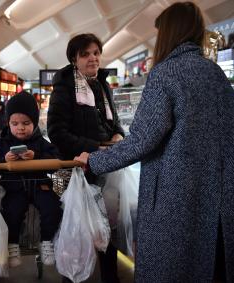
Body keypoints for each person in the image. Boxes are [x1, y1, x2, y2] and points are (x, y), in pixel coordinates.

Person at [74, 2, 234, 282]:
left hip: (176, 196)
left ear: (169, 34)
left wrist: (94, 160)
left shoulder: (166, 73)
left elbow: (142, 140)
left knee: (171, 267)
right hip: (218, 194)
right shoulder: (216, 74)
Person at [47, 33, 125, 283]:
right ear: (74, 59)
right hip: (70, 170)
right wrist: (94, 148)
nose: (93, 58)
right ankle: (71, 276)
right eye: (86, 54)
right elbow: (56, 132)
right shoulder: (64, 87)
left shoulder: (102, 84)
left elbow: (114, 122)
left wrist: (119, 136)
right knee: (74, 229)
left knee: (107, 228)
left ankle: (110, 278)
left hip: (104, 167)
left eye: (96, 53)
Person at [0, 91, 61, 268]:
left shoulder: (41, 142)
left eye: (26, 123)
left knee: (52, 209)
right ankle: (12, 245)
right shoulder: (3, 143)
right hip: (14, 188)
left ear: (34, 123)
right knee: (11, 212)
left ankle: (47, 242)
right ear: (8, 124)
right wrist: (4, 160)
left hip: (40, 186)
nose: (20, 128)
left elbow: (56, 160)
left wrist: (38, 156)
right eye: (15, 123)